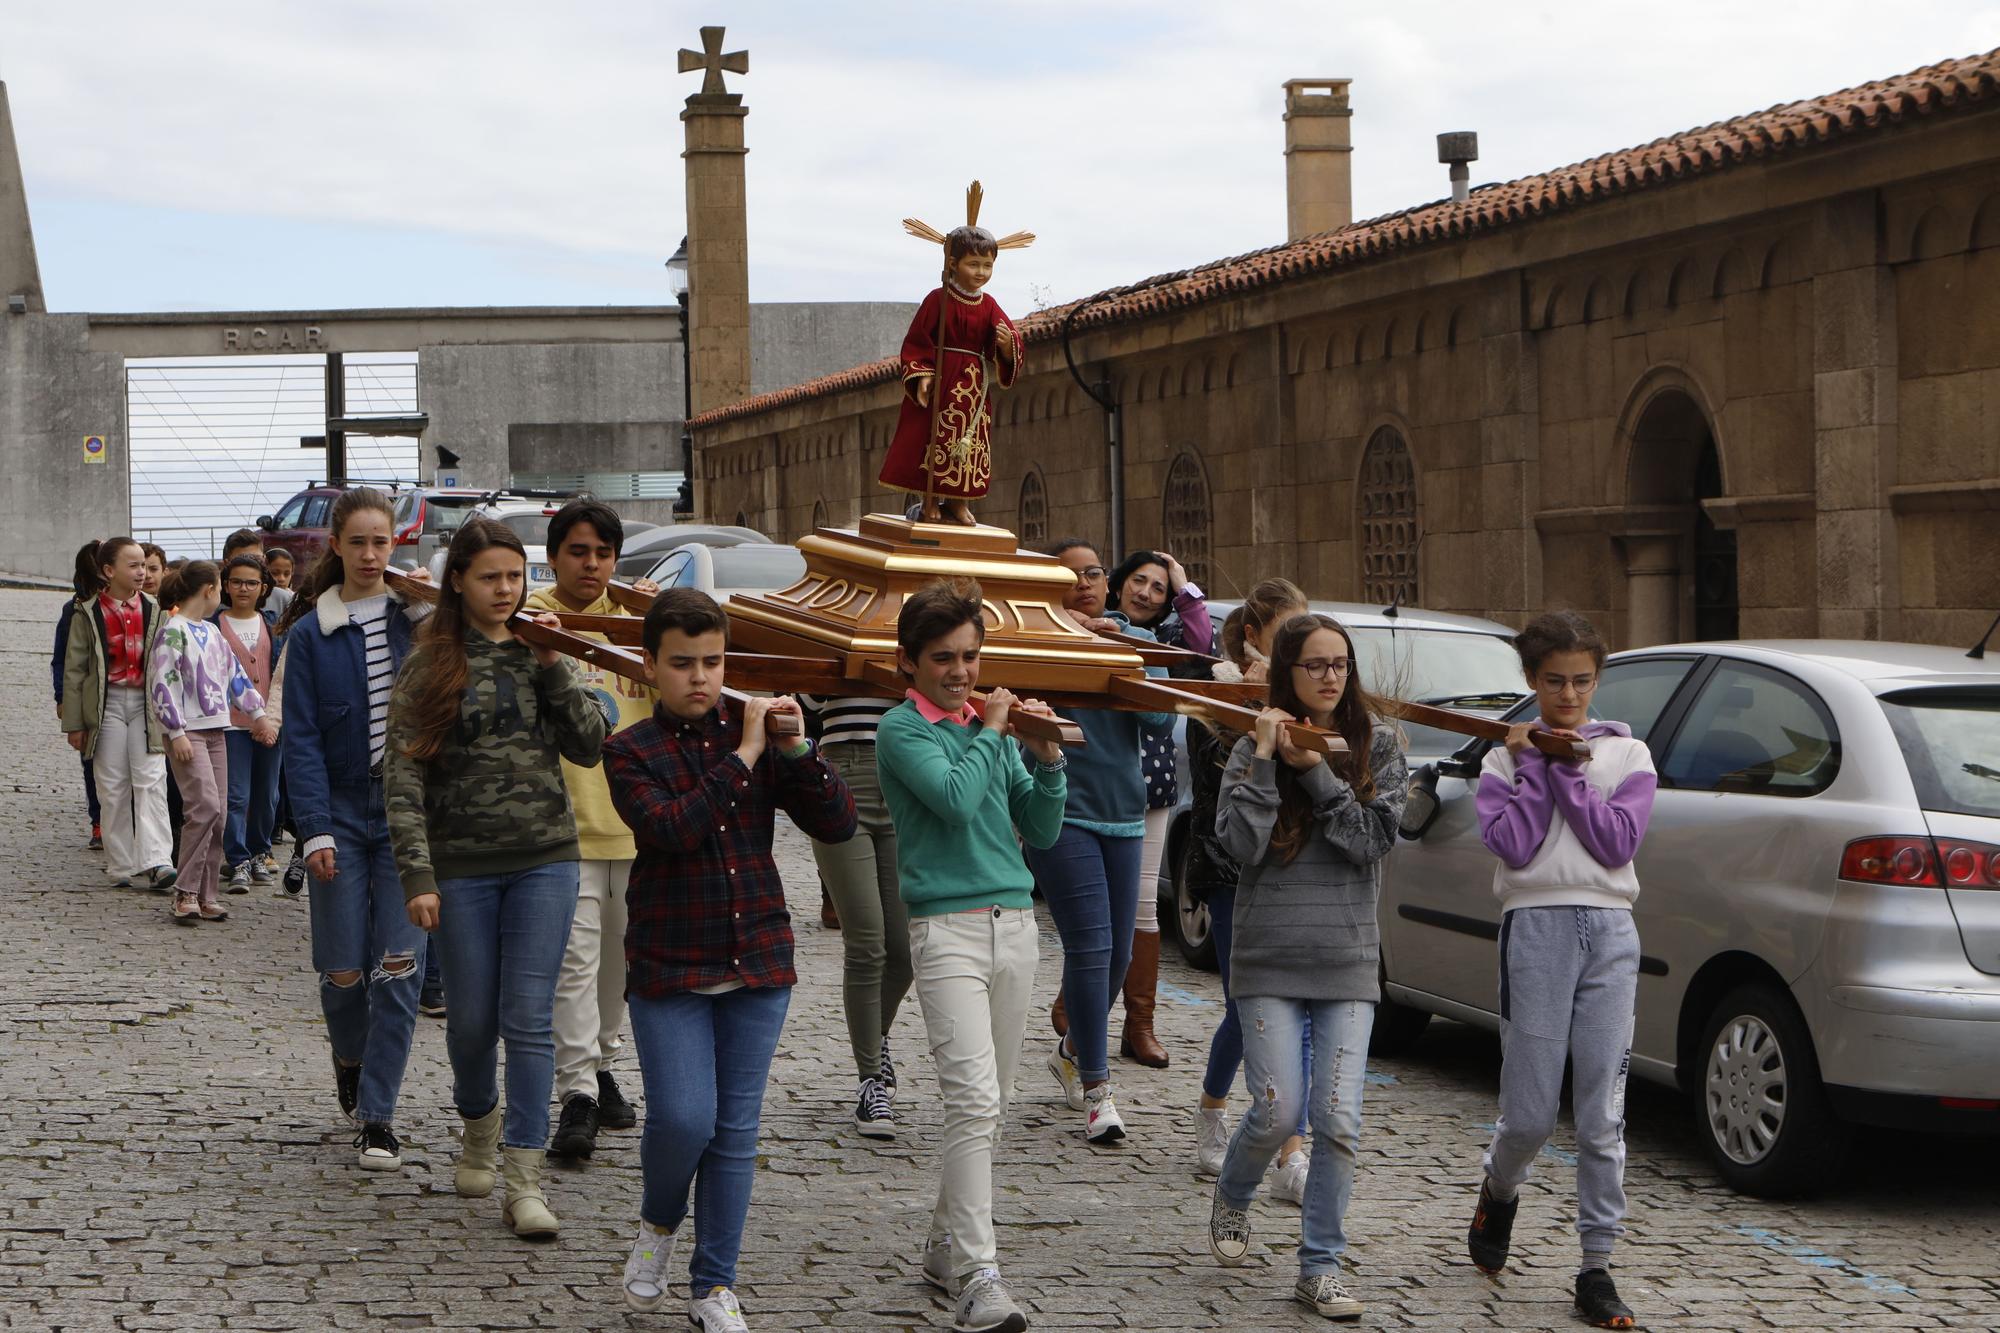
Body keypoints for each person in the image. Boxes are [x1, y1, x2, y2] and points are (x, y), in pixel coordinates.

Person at [601, 589, 855, 1329]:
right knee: (683, 1119)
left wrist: (798, 750)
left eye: (713, 661)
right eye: (682, 664)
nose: (701, 677)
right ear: (650, 666)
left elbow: (837, 822)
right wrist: (747, 755)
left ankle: (714, 1285)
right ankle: (656, 1223)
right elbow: (675, 828)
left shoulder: (759, 736)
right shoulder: (629, 751)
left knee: (735, 1131)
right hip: (670, 961)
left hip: (758, 958)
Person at [385, 517, 609, 1235]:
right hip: (461, 868)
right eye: (490, 577)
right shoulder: (431, 663)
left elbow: (588, 743)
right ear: (458, 581)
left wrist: (552, 665)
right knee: (474, 1021)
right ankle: (477, 1122)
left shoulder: (545, 650)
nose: (505, 589)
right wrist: (417, 871)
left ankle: (524, 1176)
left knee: (530, 1018)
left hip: (546, 856)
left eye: (515, 575)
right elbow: (402, 771)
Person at [875, 577, 1065, 1333]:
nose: (961, 671)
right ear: (911, 662)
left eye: (971, 656)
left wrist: (1045, 759)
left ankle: (943, 1246)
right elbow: (953, 798)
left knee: (994, 1106)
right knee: (973, 1099)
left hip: (1014, 923)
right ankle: (981, 1277)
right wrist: (993, 729)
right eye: (945, 658)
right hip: (945, 927)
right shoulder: (903, 730)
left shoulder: (989, 723)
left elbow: (1041, 830)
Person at [1207, 613, 1407, 1322]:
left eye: (1340, 663)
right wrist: (1265, 759)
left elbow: (1369, 842)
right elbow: (1239, 846)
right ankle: (1233, 1193)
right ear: (1287, 673)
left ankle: (1319, 1265)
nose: (1330, 675)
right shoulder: (1249, 748)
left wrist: (1317, 773)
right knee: (1275, 1110)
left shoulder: (1378, 746)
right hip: (1268, 960)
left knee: (1338, 1119)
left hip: (1347, 963)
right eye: (1315, 664)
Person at [1464, 611, 1655, 1332]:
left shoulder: (1630, 755)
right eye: (1554, 681)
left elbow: (1614, 842)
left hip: (1610, 929)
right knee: (1534, 1112)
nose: (1569, 694)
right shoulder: (1503, 760)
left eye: (1581, 681)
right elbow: (1513, 846)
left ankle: (1596, 1265)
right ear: (1531, 680)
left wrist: (1572, 769)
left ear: (1597, 679)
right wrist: (1540, 764)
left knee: (1603, 1113)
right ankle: (1500, 1185)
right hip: (1536, 928)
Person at [278, 487, 430, 1170]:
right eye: (359, 542)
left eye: (382, 541)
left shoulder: (416, 619)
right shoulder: (312, 632)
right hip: (338, 809)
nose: (372, 554)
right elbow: (301, 738)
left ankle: (378, 1116)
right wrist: (313, 828)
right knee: (342, 971)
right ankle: (349, 1053)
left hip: (404, 812)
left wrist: (433, 615)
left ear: (396, 543)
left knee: (398, 968)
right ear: (336, 545)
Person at [523, 499, 658, 1161]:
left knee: (619, 968)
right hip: (560, 830)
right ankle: (576, 1091)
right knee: (573, 965)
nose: (591, 564)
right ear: (554, 555)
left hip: (631, 828)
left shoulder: (638, 626)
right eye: (578, 551)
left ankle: (602, 1062)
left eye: (603, 552)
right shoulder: (530, 620)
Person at [1031, 540, 1173, 1144]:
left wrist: (1120, 650)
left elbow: (1161, 719)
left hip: (1125, 812)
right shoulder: (1035, 639)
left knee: (1116, 957)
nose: (1085, 581)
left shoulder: (1133, 641)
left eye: (1093, 572)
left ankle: (1070, 1050)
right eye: (1071, 574)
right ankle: (1096, 1087)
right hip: (1063, 812)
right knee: (1090, 948)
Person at [1190, 580, 1318, 1205]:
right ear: (1256, 638)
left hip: (1288, 875)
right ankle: (1218, 1112)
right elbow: (1222, 792)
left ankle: (1292, 1152)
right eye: (1291, 632)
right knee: (1250, 1013)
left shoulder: (1304, 696)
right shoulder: (1224, 692)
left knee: (1297, 1016)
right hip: (1228, 870)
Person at [1103, 548, 1216, 1070]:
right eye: (1139, 581)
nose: (1146, 592)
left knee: (1144, 903)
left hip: (1151, 781)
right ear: (1119, 582)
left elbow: (1201, 649)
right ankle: (1079, 1006)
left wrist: (1185, 586)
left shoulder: (1168, 640)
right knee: (1097, 906)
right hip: (1092, 777)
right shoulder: (1092, 624)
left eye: (1158, 588)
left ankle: (1139, 1024)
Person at [801, 691, 910, 1140]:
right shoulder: (838, 617)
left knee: (905, 951)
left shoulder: (920, 625)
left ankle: (875, 1036)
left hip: (907, 766)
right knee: (867, 942)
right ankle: (871, 1079)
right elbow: (810, 694)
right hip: (843, 771)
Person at [149, 561, 275, 924]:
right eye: (220, 587)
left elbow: (236, 677)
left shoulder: (213, 633)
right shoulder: (173, 632)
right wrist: (176, 731)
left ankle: (206, 894)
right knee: (203, 806)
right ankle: (185, 891)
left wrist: (258, 714)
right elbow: (163, 684)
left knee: (217, 814)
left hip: (218, 731)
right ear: (209, 590)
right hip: (188, 733)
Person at [877, 219, 1023, 525]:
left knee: (969, 445)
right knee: (934, 439)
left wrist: (1008, 346)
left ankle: (959, 502)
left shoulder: (989, 304)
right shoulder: (937, 299)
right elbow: (917, 340)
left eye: (987, 265)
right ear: (953, 264)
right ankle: (929, 500)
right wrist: (921, 373)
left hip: (973, 387)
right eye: (974, 264)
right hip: (941, 380)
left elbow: (1006, 338)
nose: (981, 272)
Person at [60, 537, 177, 891]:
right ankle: (121, 862)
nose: (141, 572)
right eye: (133, 565)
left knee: (152, 778)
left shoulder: (157, 610)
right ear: (109, 571)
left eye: (144, 565)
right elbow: (75, 669)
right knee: (111, 785)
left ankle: (157, 859)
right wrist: (75, 723)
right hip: (106, 704)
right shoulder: (88, 611)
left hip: (146, 705)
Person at [215, 554, 284, 891]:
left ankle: (261, 851)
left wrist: (276, 716)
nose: (244, 588)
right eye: (237, 582)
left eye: (252, 582)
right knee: (236, 795)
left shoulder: (273, 624)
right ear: (226, 586)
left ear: (263, 587)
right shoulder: (215, 625)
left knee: (267, 794)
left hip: (270, 721)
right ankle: (237, 858)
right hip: (230, 723)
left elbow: (283, 673)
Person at [54, 544, 104, 850]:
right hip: (87, 698)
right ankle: (99, 821)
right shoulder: (73, 609)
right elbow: (62, 659)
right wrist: (62, 697)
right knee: (91, 761)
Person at [263, 547, 297, 619]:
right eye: (275, 573)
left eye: (287, 574)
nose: (281, 579)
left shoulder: (295, 599)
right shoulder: (257, 596)